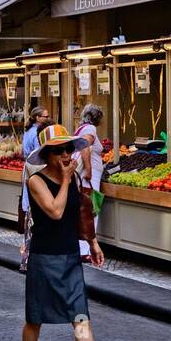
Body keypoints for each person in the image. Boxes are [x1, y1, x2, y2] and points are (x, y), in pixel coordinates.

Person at [21, 124, 117, 341]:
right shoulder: (36, 181)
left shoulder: (73, 178)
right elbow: (55, 211)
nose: (66, 155)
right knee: (35, 318)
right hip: (44, 257)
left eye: (68, 149)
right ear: (47, 155)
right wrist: (64, 180)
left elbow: (79, 213)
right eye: (59, 150)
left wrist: (93, 242)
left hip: (69, 256)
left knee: (80, 316)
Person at [19, 106, 52, 271]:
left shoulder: (28, 132)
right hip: (37, 195)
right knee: (35, 228)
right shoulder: (38, 153)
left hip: (31, 186)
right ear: (37, 118)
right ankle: (31, 262)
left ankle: (28, 261)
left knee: (30, 228)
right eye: (45, 116)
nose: (47, 117)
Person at [74, 104, 106, 262]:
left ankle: (82, 247)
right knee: (89, 210)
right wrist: (88, 170)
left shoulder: (82, 128)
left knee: (85, 209)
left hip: (86, 177)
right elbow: (84, 146)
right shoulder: (90, 129)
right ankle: (85, 249)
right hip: (89, 178)